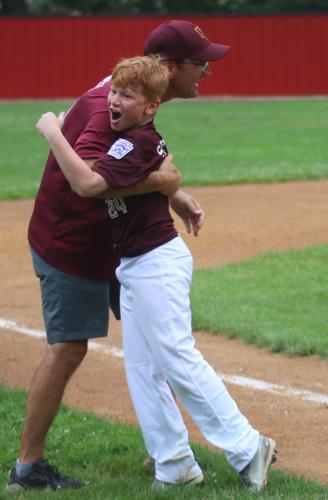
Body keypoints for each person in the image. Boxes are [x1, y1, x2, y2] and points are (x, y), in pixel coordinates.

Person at [34, 54, 278, 494]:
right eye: (113, 92)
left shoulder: (133, 143)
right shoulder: (128, 137)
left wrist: (53, 130)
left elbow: (88, 185)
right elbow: (152, 176)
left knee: (174, 355)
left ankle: (247, 446)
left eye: (127, 96)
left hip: (156, 263)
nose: (114, 101)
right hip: (135, 263)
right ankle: (174, 464)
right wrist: (172, 190)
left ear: (151, 107)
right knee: (144, 366)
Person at [6, 19, 222, 493]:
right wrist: (163, 184)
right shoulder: (109, 106)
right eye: (198, 63)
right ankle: (28, 467)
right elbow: (87, 182)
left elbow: (131, 161)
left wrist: (174, 195)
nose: (205, 70)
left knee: (157, 336)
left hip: (119, 245)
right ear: (169, 67)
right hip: (72, 243)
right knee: (69, 346)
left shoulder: (134, 96)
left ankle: (165, 449)